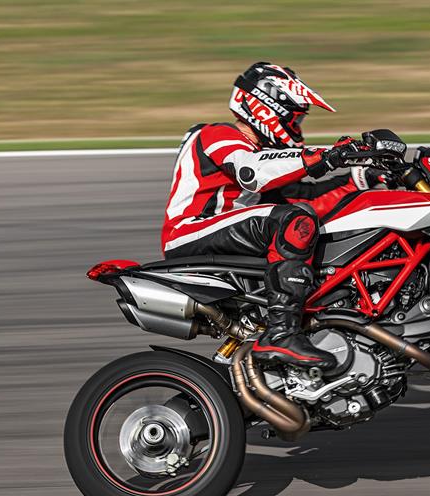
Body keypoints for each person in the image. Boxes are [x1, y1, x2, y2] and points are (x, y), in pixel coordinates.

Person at [162, 62, 383, 370]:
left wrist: (363, 178)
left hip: (232, 233)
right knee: (293, 221)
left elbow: (309, 199)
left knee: (309, 226)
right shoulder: (217, 135)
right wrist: (326, 156)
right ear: (267, 109)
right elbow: (253, 172)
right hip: (191, 232)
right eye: (295, 118)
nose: (298, 128)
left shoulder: (263, 157)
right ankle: (282, 333)